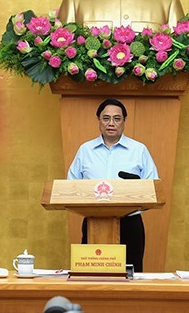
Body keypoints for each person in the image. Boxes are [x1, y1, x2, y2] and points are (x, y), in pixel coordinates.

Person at [66, 98, 158, 272]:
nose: (111, 123)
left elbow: (154, 187)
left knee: (131, 277)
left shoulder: (139, 150)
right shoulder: (85, 150)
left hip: (130, 224)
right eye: (106, 118)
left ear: (124, 122)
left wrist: (136, 194)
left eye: (117, 119)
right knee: (91, 276)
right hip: (94, 222)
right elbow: (71, 187)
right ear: (99, 121)